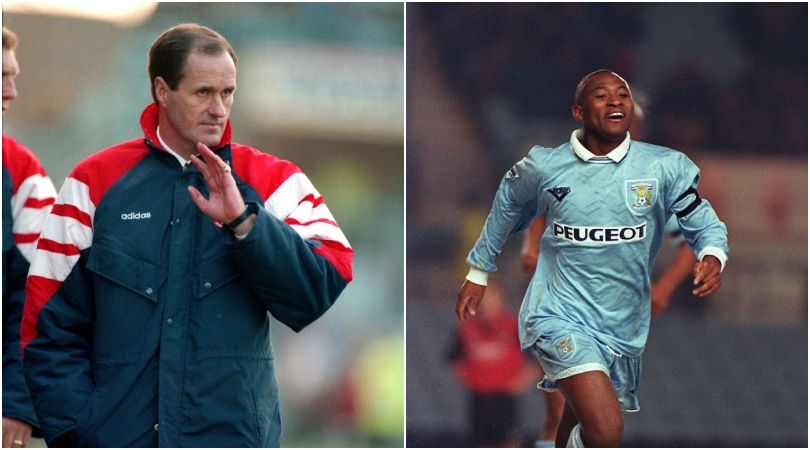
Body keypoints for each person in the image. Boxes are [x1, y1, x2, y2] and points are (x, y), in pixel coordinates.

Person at [21, 23, 354, 447]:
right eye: (203, 93)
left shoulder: (273, 181)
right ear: (162, 90)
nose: (219, 108)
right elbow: (45, 329)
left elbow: (323, 285)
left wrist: (245, 223)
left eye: (227, 93)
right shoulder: (92, 183)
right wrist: (78, 432)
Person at [457, 69, 728, 447]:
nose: (616, 101)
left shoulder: (662, 171)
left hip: (618, 324)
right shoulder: (548, 167)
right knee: (602, 427)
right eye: (602, 95)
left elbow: (700, 225)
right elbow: (512, 207)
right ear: (579, 112)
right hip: (558, 315)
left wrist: (711, 257)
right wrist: (481, 270)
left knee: (576, 421)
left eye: (623, 95)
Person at [2, 25, 56, 449]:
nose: (12, 92)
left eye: (13, 75)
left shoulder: (21, 171)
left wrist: (17, 402)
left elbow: (41, 295)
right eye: (2, 76)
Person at [447, 278, 531, 447]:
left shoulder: (513, 326)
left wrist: (523, 381)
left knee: (508, 443)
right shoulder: (468, 328)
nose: (488, 303)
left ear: (501, 299)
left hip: (505, 400)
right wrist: (470, 380)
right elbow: (453, 358)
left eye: (492, 297)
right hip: (479, 400)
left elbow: (534, 358)